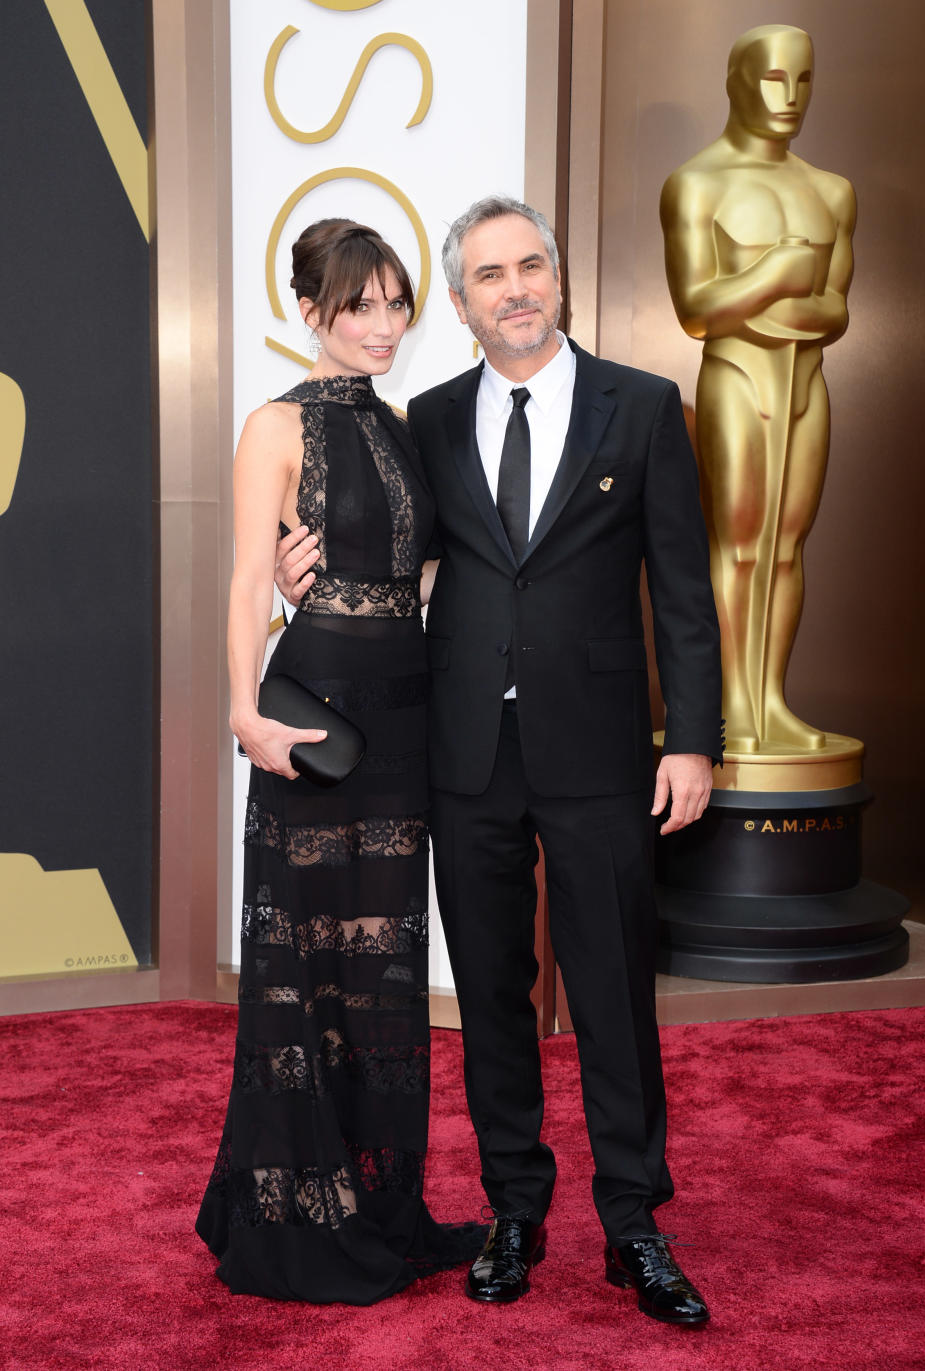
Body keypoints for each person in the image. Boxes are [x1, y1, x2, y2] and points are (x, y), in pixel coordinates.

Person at [278, 196, 722, 1324]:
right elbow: (386, 553)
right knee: (489, 998)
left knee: (616, 994)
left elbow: (682, 591)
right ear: (463, 302)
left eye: (531, 266)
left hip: (603, 754)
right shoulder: (423, 419)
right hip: (461, 750)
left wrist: (698, 740)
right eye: (489, 275)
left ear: (559, 281)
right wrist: (301, 576)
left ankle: (634, 1224)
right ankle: (514, 1209)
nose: (515, 288)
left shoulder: (646, 406)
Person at [196, 219, 483, 1304]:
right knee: (306, 960)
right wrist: (241, 714)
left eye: (396, 303)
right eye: (359, 305)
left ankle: (383, 1203)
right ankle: (298, 1215)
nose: (382, 325)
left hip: (401, 722)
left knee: (384, 972)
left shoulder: (408, 428)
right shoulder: (275, 423)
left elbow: (439, 574)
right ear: (311, 310)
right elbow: (239, 584)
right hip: (315, 718)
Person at [660, 24, 856, 754]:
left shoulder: (831, 191)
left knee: (787, 546)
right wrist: (775, 276)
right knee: (738, 543)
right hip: (737, 382)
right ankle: (732, 707)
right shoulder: (696, 184)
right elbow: (695, 308)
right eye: (775, 79)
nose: (791, 97)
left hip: (806, 385)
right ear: (738, 82)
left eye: (804, 80)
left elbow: (835, 310)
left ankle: (771, 701)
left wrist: (753, 299)